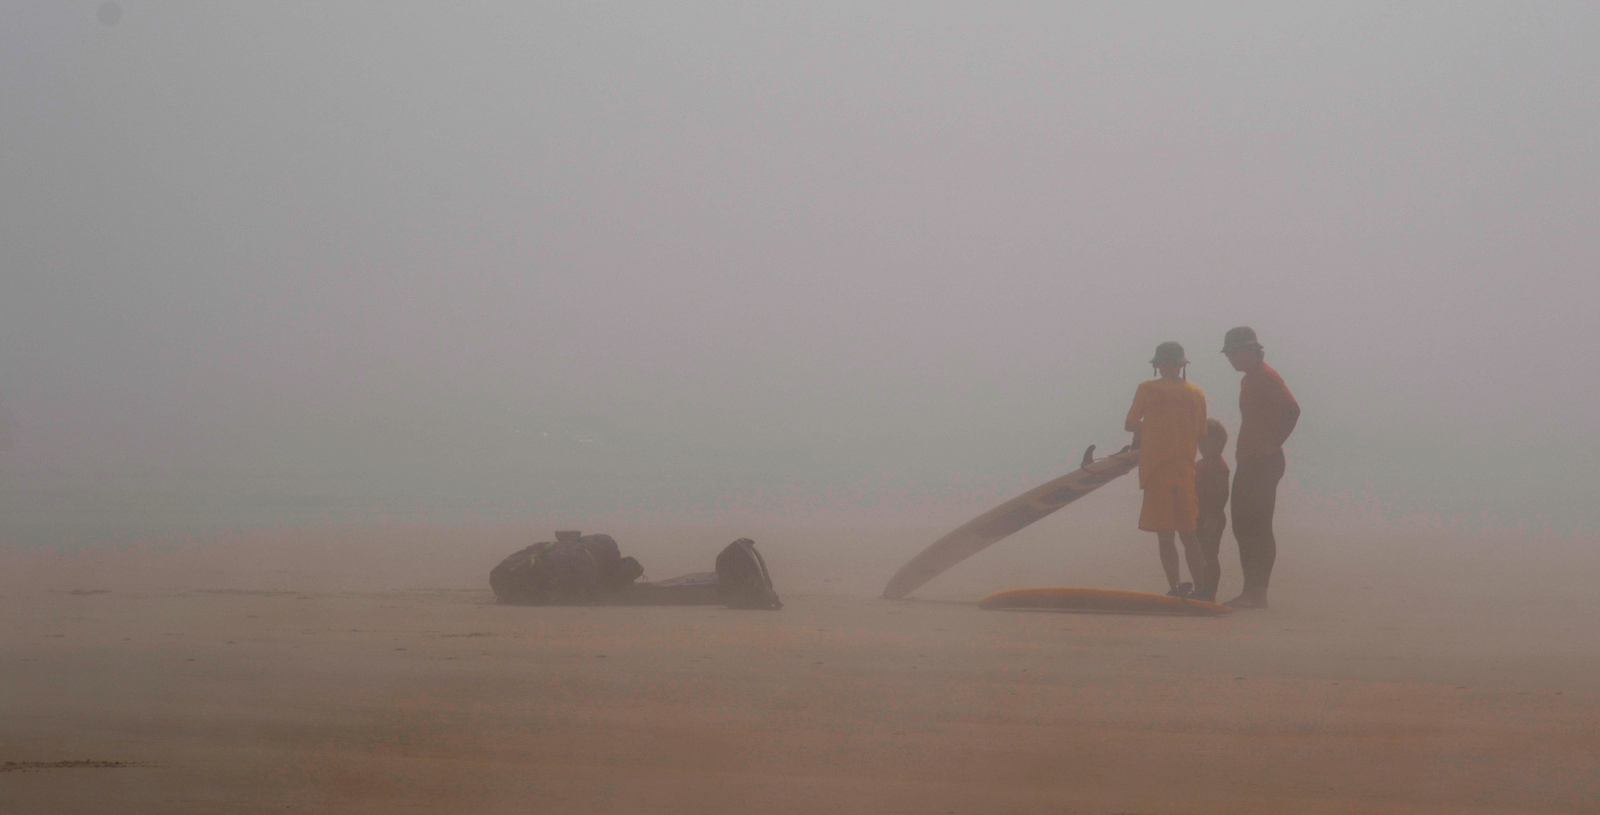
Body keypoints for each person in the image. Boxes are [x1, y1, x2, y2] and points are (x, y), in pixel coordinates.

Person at [1220, 327, 1300, 609]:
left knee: (1257, 526)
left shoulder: (1266, 376)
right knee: (1243, 526)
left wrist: (1274, 442)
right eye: (1228, 354)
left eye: (1235, 352)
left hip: (1263, 461)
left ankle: (1256, 594)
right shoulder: (1250, 379)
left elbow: (1292, 410)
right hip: (1250, 459)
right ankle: (1251, 591)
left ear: (1252, 349)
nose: (1232, 358)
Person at [1125, 342, 1208, 598]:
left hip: (1157, 471)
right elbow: (1201, 432)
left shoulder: (1147, 389)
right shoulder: (1197, 394)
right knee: (1189, 534)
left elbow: (1130, 424)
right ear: (1183, 364)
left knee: (1165, 535)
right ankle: (1204, 590)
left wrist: (1150, 431)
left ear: (1158, 365)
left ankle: (1176, 587)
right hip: (1184, 471)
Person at [1193, 419, 1230, 603]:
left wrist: (1213, 517)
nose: (1200, 445)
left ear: (1218, 443)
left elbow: (1223, 493)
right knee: (1200, 555)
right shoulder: (1201, 464)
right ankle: (1202, 591)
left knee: (1209, 556)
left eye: (1204, 441)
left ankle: (1210, 594)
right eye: (1199, 441)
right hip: (1199, 517)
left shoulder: (1219, 466)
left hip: (1212, 518)